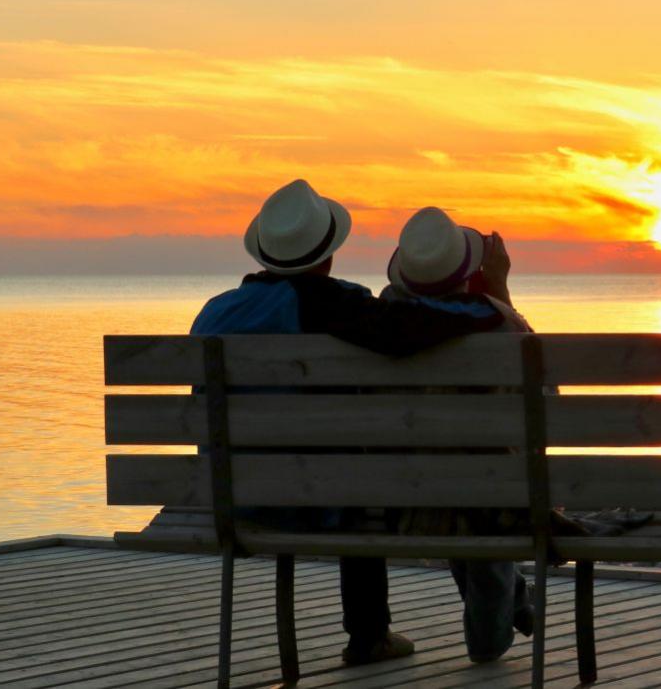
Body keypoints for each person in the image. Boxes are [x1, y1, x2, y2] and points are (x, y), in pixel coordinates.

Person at [190, 180, 509, 667]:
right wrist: (489, 301)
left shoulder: (214, 313)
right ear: (330, 252)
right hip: (319, 500)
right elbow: (408, 330)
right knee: (355, 474)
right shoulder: (332, 304)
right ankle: (368, 637)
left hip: (231, 497)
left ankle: (371, 635)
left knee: (345, 467)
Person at [380, 206, 541, 663]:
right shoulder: (500, 325)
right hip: (489, 502)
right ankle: (495, 629)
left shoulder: (377, 329)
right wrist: (500, 291)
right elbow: (543, 401)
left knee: (452, 470)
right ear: (469, 272)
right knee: (483, 477)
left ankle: (515, 599)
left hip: (404, 503)